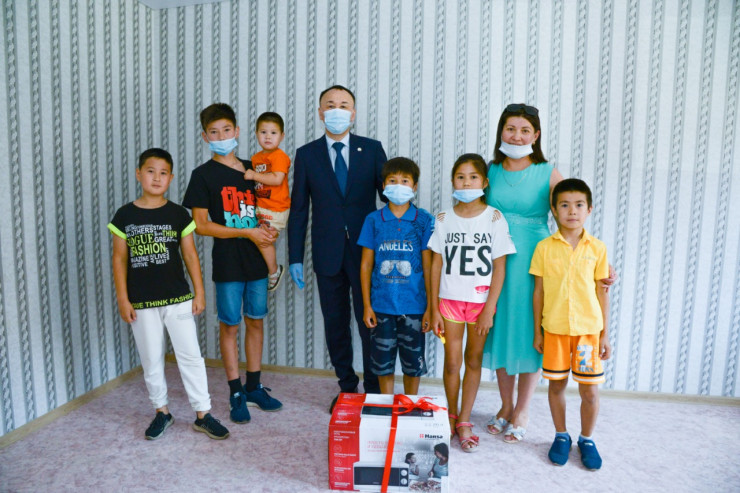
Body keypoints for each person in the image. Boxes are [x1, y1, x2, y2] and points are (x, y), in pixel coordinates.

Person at [108, 148, 229, 440]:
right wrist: (123, 298)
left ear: (171, 178)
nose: (157, 178)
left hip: (178, 299)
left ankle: (203, 414)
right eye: (150, 171)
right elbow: (119, 259)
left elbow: (190, 255)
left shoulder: (178, 214)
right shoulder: (125, 215)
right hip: (141, 301)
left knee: (191, 356)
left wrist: (199, 293)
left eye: (163, 173)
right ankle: (162, 412)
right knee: (151, 358)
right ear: (139, 174)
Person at [288, 85, 388, 410]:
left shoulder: (371, 149)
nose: (337, 110)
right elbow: (299, 208)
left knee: (369, 321)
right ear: (320, 113)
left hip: (366, 253)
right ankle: (347, 386)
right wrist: (294, 257)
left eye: (344, 105)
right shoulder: (306, 154)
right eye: (330, 105)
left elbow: (389, 197)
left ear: (353, 113)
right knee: (335, 323)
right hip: (326, 252)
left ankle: (373, 388)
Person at [182, 103, 283, 426]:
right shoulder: (202, 176)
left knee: (256, 321)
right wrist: (246, 231)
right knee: (230, 325)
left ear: (237, 131)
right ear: (205, 137)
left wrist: (267, 228)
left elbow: (272, 204)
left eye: (226, 130)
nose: (221, 136)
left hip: (257, 260)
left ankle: (254, 387)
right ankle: (235, 391)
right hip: (227, 262)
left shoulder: (254, 169)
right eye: (214, 132)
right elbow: (201, 225)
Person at [481, 103, 563, 443]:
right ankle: (505, 404)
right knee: (500, 327)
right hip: (495, 259)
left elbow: (569, 217)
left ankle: (523, 409)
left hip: (535, 260)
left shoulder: (548, 172)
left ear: (536, 135)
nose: (517, 136)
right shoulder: (489, 170)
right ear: (501, 131)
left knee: (530, 331)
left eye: (525, 130)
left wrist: (592, 258)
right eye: (510, 128)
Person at [428, 154, 516, 453]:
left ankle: (465, 419)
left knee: (473, 360)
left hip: (479, 303)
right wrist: (433, 307)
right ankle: (451, 415)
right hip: (450, 301)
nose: (466, 183)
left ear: (485, 182)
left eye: (473, 177)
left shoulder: (494, 217)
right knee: (452, 362)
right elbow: (436, 264)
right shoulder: (443, 218)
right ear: (453, 181)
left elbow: (500, 266)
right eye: (460, 177)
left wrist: (490, 307)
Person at [530, 178, 610, 470]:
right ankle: (561, 435)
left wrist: (604, 335)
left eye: (578, 205)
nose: (572, 211)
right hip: (555, 331)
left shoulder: (597, 248)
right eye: (564, 205)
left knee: (590, 391)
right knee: (556, 386)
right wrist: (538, 331)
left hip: (588, 333)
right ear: (554, 210)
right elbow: (538, 292)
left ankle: (586, 439)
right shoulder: (544, 248)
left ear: (589, 209)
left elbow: (602, 292)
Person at [358, 157, 434, 396]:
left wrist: (431, 308)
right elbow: (366, 265)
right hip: (381, 306)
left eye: (405, 181)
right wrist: (367, 306)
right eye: (392, 180)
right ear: (383, 185)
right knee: (382, 364)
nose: (398, 185)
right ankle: (386, 404)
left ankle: (410, 403)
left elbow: (429, 266)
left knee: (413, 364)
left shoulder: (424, 220)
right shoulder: (373, 220)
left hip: (415, 307)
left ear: (414, 186)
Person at [244, 111, 291, 292]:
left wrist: (253, 175)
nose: (268, 137)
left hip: (276, 208)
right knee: (257, 240)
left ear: (282, 136)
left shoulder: (278, 156)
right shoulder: (256, 158)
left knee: (264, 240)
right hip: (261, 207)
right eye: (263, 132)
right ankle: (266, 269)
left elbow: (277, 179)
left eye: (273, 133)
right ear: (256, 134)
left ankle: (274, 271)